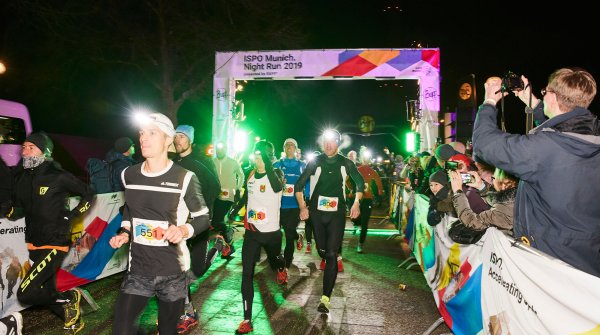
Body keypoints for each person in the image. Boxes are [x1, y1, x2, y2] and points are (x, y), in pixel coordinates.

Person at [473, 69, 600, 277]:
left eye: (545, 92)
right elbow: (568, 127)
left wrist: (488, 102)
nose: (543, 95)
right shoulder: (591, 138)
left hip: (547, 260)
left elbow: (484, 144)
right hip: (587, 257)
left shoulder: (543, 148)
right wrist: (532, 102)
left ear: (554, 97)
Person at [108, 113, 210, 335]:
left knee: (167, 331)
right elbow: (130, 210)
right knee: (121, 330)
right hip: (138, 270)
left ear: (167, 140)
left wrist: (183, 229)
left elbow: (203, 217)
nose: (144, 138)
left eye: (152, 133)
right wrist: (124, 232)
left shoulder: (184, 177)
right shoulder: (129, 175)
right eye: (142, 133)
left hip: (172, 272)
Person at [5, 131, 94, 334]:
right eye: (23, 148)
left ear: (44, 152)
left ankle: (71, 298)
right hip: (34, 243)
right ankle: (73, 319)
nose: (25, 152)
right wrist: (9, 210)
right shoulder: (22, 179)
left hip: (55, 240)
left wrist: (72, 216)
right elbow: (19, 207)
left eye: (31, 148)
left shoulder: (58, 176)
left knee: (26, 294)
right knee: (46, 290)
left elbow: (88, 193)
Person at [294, 129, 364, 314]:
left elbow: (360, 182)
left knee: (332, 253)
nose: (328, 145)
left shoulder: (345, 162)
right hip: (317, 213)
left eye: (332, 141)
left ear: (338, 143)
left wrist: (356, 203)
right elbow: (299, 185)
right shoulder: (315, 162)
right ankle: (324, 254)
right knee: (323, 251)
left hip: (337, 214)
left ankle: (325, 298)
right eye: (325, 141)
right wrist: (303, 207)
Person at [227, 140, 287, 334]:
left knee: (274, 260)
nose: (257, 159)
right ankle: (247, 319)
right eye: (256, 155)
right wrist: (236, 207)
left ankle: (280, 266)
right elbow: (248, 196)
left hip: (271, 234)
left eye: (261, 155)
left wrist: (268, 163)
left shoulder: (276, 174)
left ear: (269, 157)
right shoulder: (250, 174)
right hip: (252, 233)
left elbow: (277, 188)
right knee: (247, 273)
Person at [172, 124, 224, 334]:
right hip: (178, 223)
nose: (178, 140)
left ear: (190, 140)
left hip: (197, 222)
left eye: (182, 137)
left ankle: (217, 247)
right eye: (176, 136)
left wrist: (200, 212)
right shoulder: (173, 162)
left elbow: (215, 188)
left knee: (197, 270)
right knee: (180, 270)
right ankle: (188, 312)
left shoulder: (201, 162)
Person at [449, 168, 518, 236]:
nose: (492, 180)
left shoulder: (501, 213)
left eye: (493, 178)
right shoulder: (515, 197)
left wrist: (457, 191)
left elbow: (471, 221)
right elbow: (502, 198)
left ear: (504, 185)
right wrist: (481, 186)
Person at [273, 138, 307, 272]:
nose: (289, 147)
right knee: (279, 234)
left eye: (292, 145)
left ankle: (286, 265)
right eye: (287, 145)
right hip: (279, 206)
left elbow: (308, 183)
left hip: (294, 206)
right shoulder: (277, 164)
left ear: (296, 149)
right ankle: (298, 236)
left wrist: (306, 202)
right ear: (284, 148)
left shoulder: (302, 165)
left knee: (288, 234)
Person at [212, 142, 245, 258]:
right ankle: (228, 242)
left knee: (217, 221)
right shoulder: (212, 162)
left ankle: (228, 242)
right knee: (215, 222)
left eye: (221, 149)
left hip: (229, 196)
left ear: (225, 150)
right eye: (217, 149)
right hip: (216, 196)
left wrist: (237, 188)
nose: (219, 151)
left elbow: (241, 175)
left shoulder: (232, 162)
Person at [352, 147, 383, 253]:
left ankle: (361, 243)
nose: (366, 160)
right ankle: (356, 224)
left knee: (365, 223)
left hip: (367, 200)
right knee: (356, 218)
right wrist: (350, 191)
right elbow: (347, 180)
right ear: (361, 158)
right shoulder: (357, 170)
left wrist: (379, 193)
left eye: (368, 158)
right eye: (364, 158)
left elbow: (379, 183)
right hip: (357, 199)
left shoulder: (372, 171)